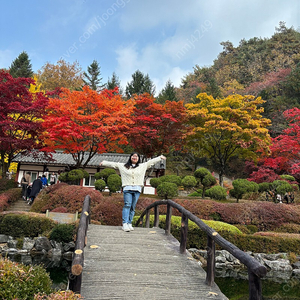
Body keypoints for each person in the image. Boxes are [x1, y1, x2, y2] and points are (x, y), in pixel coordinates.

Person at [100, 153, 166, 232]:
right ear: (130, 157)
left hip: (137, 189)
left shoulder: (142, 166)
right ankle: (125, 224)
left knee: (132, 207)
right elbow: (114, 164)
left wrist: (160, 157)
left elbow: (151, 162)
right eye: (133, 156)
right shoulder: (123, 166)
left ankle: (129, 223)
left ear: (138, 158)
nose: (134, 157)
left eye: (136, 156)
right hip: (127, 188)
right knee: (127, 205)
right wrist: (104, 162)